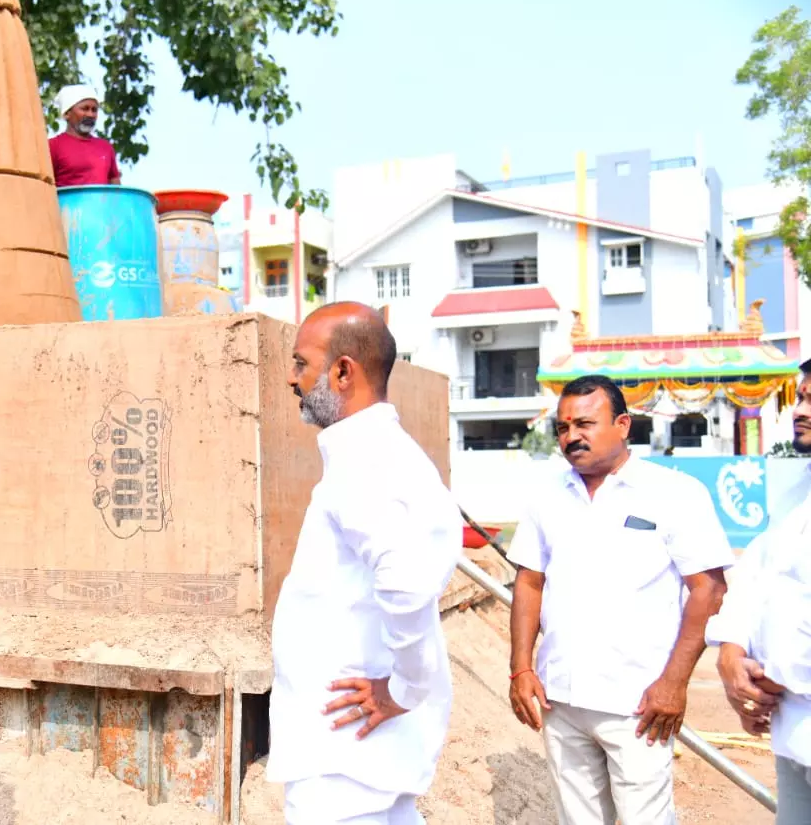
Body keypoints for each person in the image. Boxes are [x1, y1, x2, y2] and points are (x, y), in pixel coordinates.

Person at [267, 302, 464, 824]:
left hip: (344, 753)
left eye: (301, 364)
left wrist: (402, 689)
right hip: (360, 751)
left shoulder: (366, 461)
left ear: (343, 371)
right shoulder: (386, 454)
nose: (293, 378)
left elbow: (405, 585)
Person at [507, 374, 732, 825]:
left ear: (623, 424)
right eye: (564, 427)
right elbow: (529, 582)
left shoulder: (674, 493)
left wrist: (674, 683)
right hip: (561, 699)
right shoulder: (546, 496)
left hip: (639, 703)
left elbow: (708, 589)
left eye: (585, 424)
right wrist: (521, 667)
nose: (572, 436)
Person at [707, 358, 811, 825]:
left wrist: (771, 679)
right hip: (792, 731)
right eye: (802, 398)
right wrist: (731, 655)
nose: (800, 411)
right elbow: (753, 582)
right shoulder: (794, 491)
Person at [48, 85, 121, 188]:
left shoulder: (105, 147)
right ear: (67, 114)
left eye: (94, 110)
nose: (90, 114)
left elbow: (116, 191)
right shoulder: (53, 146)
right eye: (85, 109)